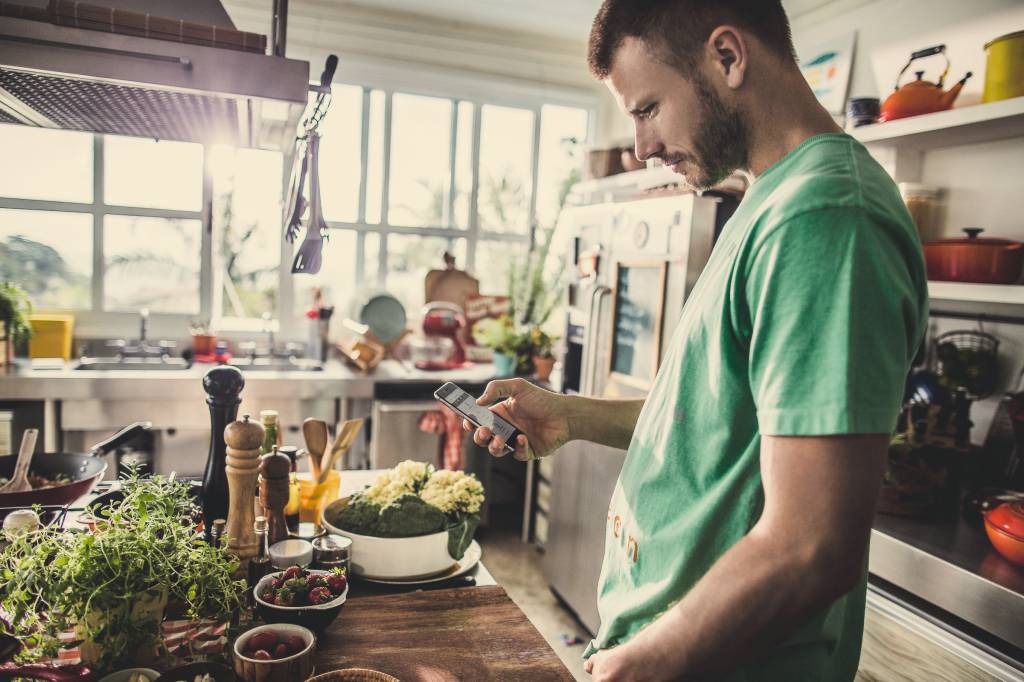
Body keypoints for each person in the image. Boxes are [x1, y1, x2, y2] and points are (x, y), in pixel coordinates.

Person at [464, 1, 928, 680]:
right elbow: (714, 419)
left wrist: (640, 664)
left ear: (728, 57)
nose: (641, 147)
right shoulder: (768, 200)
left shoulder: (826, 217)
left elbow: (811, 547)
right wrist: (569, 415)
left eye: (648, 108)